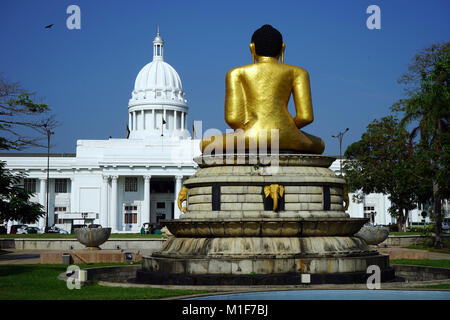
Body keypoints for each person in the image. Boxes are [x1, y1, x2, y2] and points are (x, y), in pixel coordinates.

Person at [201, 24, 325, 154]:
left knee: (206, 144)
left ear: (252, 47)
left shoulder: (237, 73)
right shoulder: (299, 72)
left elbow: (234, 119)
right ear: (283, 48)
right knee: (320, 144)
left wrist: (251, 129)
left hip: (252, 136)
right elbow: (306, 117)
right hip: (289, 136)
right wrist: (287, 128)